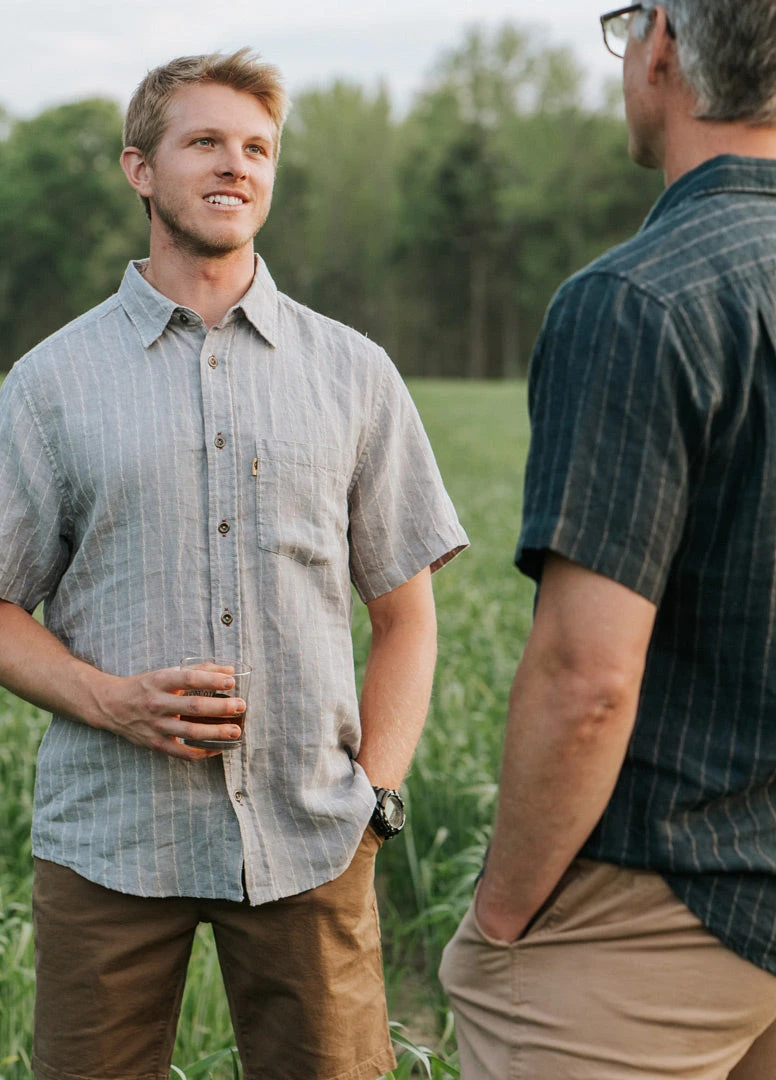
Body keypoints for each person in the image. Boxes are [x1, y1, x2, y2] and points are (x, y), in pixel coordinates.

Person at [0, 48, 466, 1080]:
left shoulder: (354, 373)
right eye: (207, 144)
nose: (237, 167)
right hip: (108, 841)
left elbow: (407, 615)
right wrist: (118, 703)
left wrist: (375, 801)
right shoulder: (52, 382)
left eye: (258, 148)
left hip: (312, 837)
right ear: (140, 169)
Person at [439, 3, 776, 1077]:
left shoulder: (640, 298)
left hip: (656, 903)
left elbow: (587, 679)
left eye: (628, 25)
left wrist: (502, 917)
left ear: (666, 48)